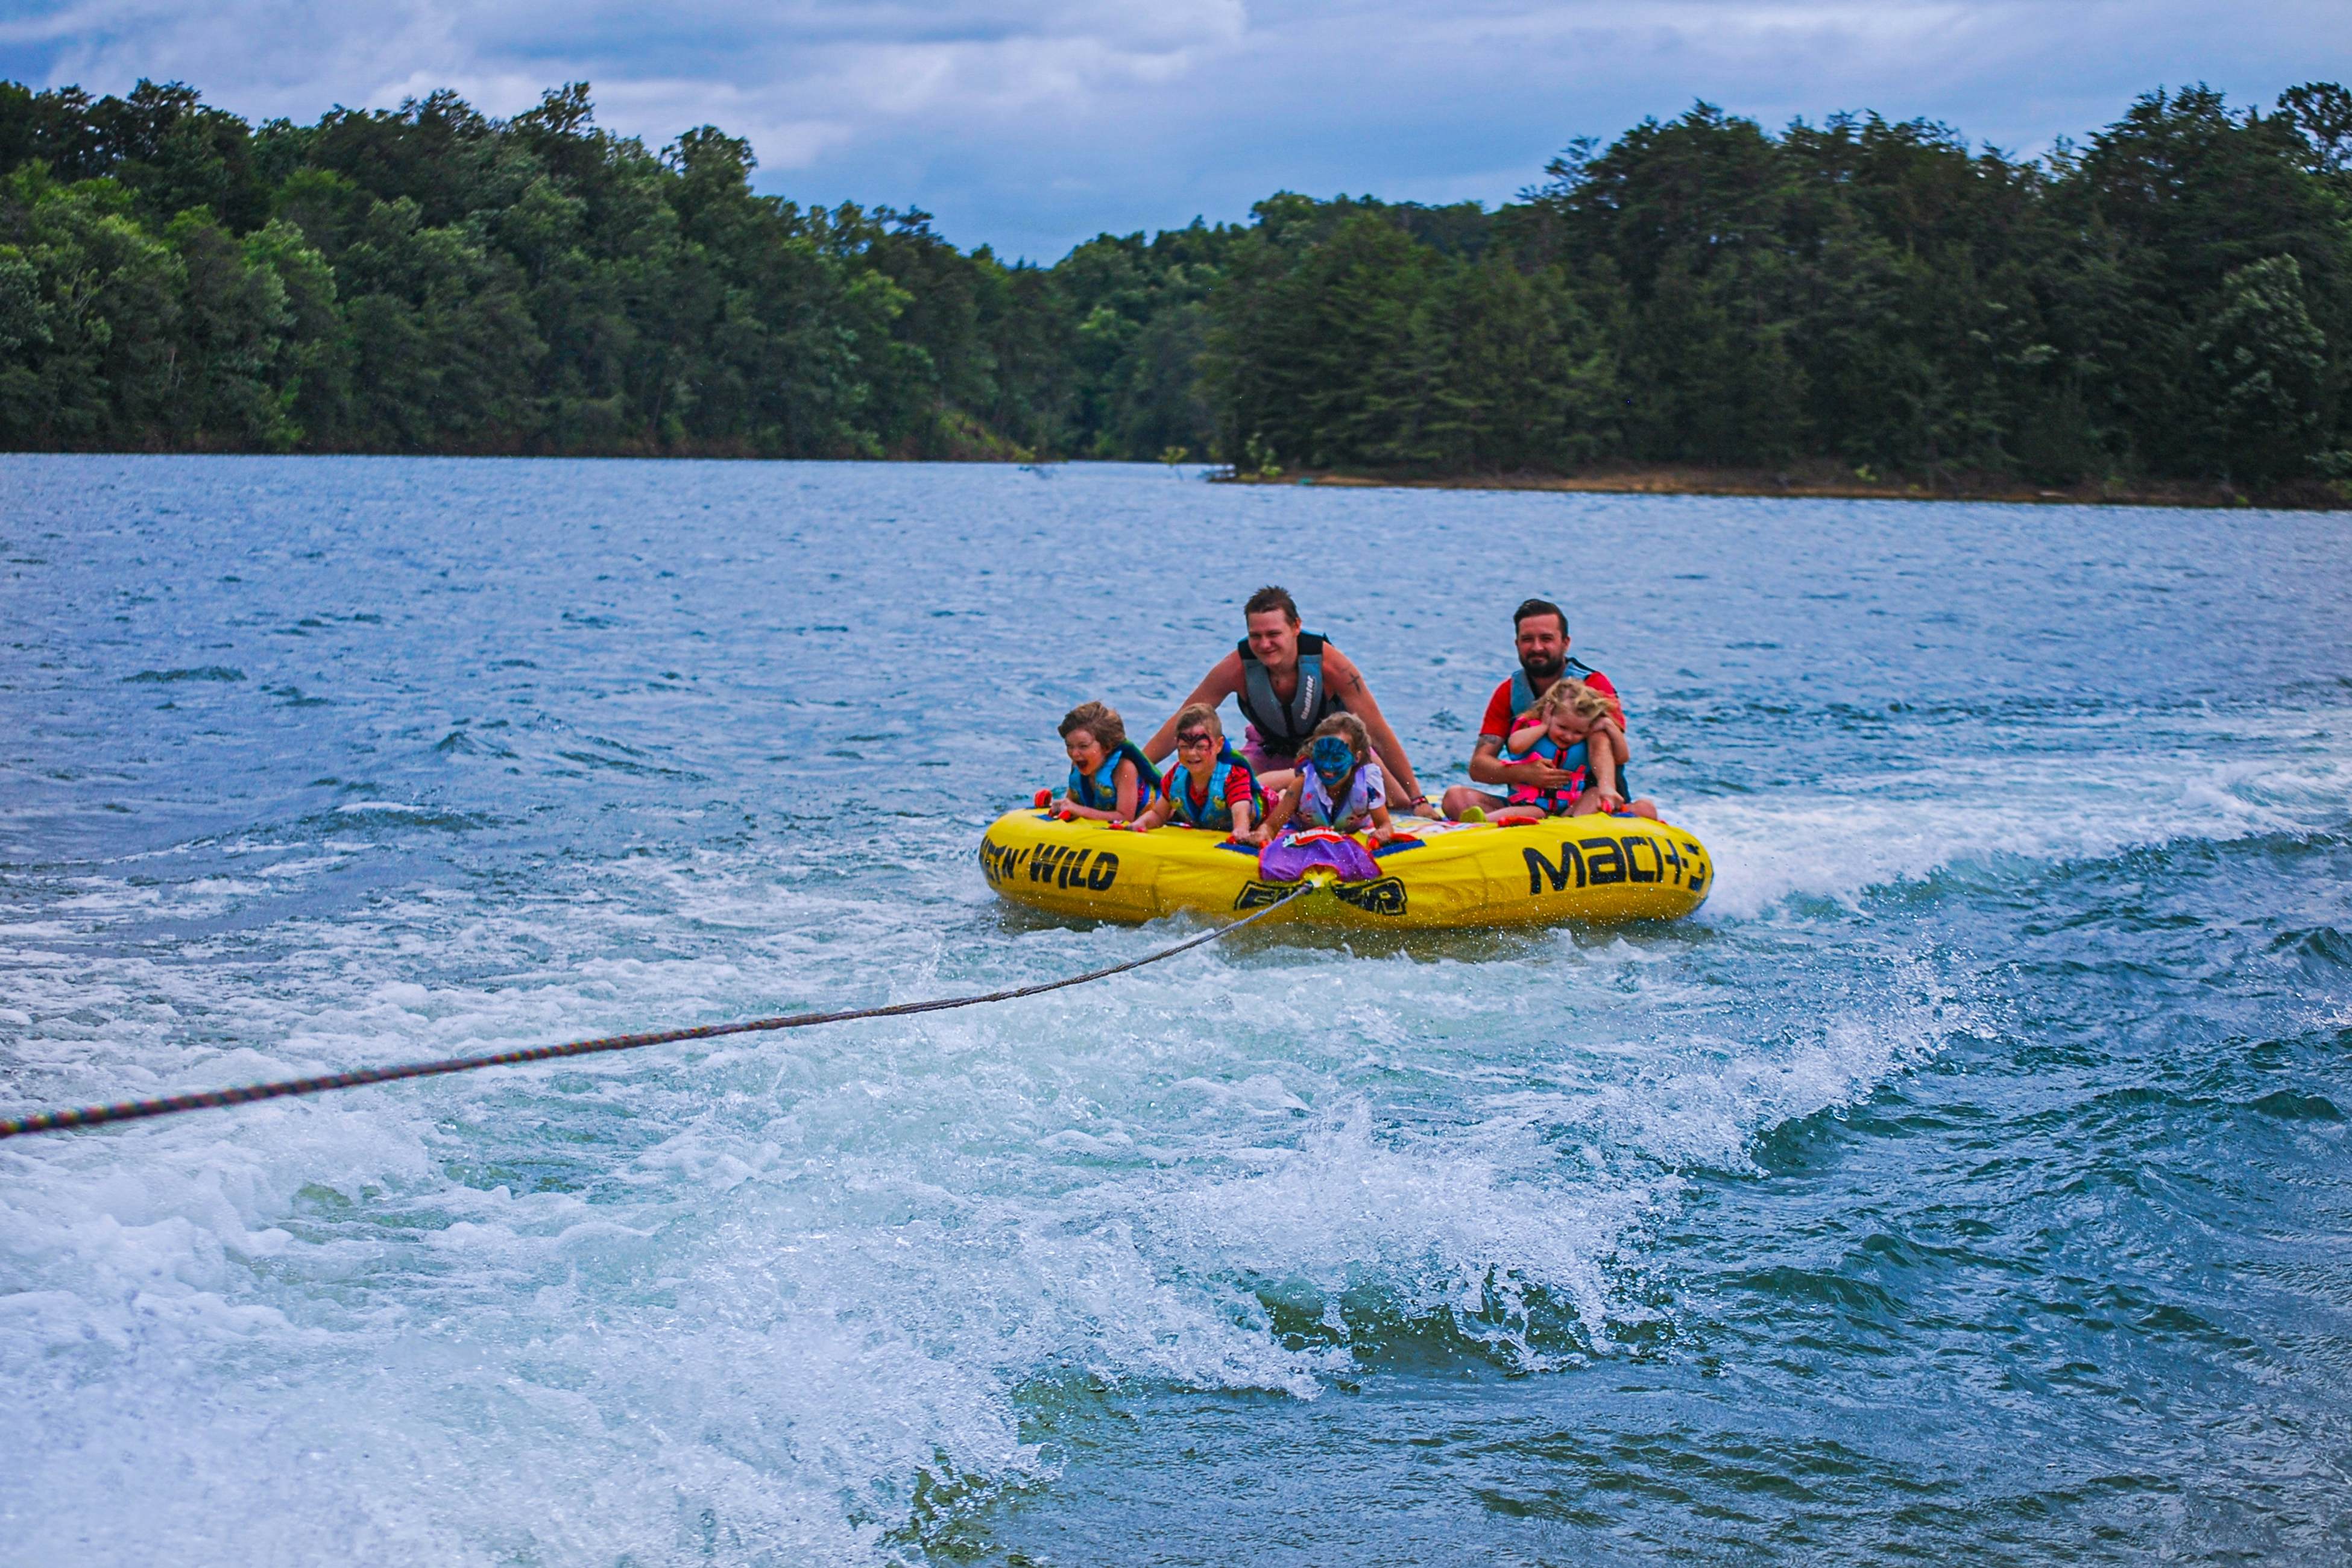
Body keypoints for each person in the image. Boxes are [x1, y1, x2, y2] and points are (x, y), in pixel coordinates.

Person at [1142, 585, 1428, 810]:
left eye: (1274, 634)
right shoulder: (1235, 668)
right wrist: (1138, 768)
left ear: (1296, 627)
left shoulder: (1332, 666)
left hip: (1333, 757)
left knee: (1400, 802)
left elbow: (1377, 731)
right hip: (1271, 752)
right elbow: (1182, 724)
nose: (1264, 645)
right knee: (1230, 794)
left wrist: (1418, 799)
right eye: (1256, 636)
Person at [1441, 597, 1651, 821]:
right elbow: (1479, 767)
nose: (1537, 647)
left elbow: (1617, 754)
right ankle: (1518, 824)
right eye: (1527, 640)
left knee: (1601, 733)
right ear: (1517, 644)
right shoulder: (1509, 692)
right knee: (1456, 799)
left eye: (1547, 639)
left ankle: (1591, 820)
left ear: (1565, 643)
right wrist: (1524, 773)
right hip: (1533, 804)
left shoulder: (1594, 686)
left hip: (1589, 801)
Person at [1492, 679, 1657, 822]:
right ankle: (1481, 822)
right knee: (1536, 813)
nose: (1569, 736)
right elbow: (1515, 745)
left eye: (1578, 732)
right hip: (1531, 806)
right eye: (1563, 727)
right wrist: (1543, 726)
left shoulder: (1588, 741)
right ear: (1549, 714)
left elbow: (1622, 758)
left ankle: (1572, 829)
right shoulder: (1534, 729)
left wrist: (1609, 726)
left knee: (1594, 792)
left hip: (1567, 812)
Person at [1258, 713, 1397, 845]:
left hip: (1353, 831)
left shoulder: (1368, 785)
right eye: (1322, 757)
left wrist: (1383, 833)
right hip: (1304, 829)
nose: (1327, 766)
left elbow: (1384, 824)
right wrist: (1263, 834)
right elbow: (1271, 827)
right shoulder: (1302, 783)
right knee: (1279, 801)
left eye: (1337, 758)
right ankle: (1281, 795)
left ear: (1356, 757)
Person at [1132, 703, 1264, 842]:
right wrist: (1139, 825)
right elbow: (1158, 814)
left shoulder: (1233, 776)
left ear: (1219, 745)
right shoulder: (1175, 777)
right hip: (1207, 825)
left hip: (1262, 813)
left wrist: (1240, 831)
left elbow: (1240, 810)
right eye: (1184, 747)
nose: (1192, 753)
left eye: (1201, 747)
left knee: (1274, 799)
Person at [1053, 701, 1158, 823]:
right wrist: (1061, 806)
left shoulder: (1124, 769)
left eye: (1083, 746)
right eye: (1069, 746)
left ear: (1107, 747)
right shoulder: (1078, 765)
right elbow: (1072, 804)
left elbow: (1125, 818)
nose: (1074, 753)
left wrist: (1078, 810)